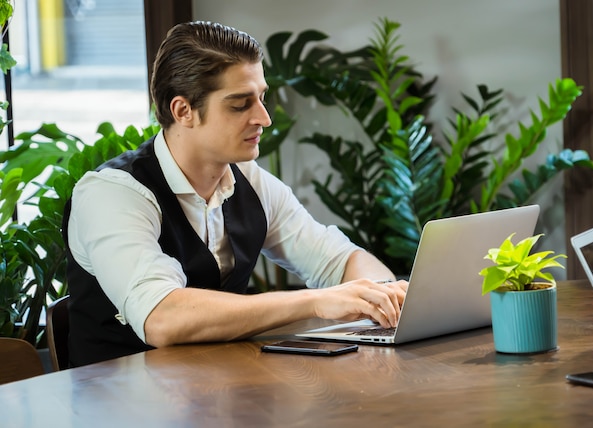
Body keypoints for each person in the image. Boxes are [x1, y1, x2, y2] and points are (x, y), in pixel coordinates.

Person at [63, 21, 408, 367]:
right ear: (183, 111)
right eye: (240, 104)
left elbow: (339, 260)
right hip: (120, 404)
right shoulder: (113, 193)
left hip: (221, 394)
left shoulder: (251, 182)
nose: (264, 118)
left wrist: (381, 294)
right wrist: (315, 301)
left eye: (262, 98)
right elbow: (161, 318)